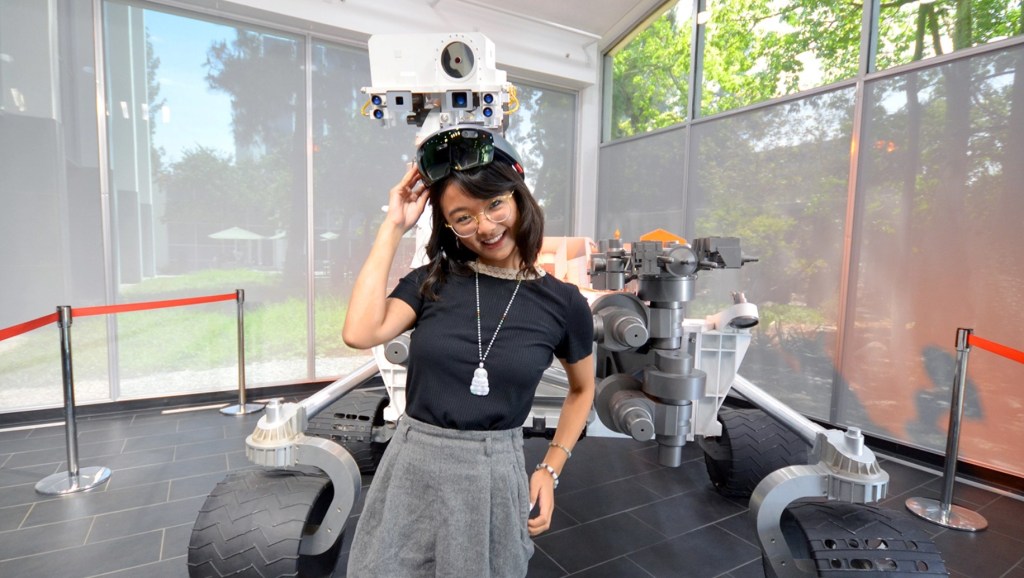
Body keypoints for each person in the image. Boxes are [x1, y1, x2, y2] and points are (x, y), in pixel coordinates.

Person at [342, 126, 595, 577]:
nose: (485, 227)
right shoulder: (431, 281)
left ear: (518, 198)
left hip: (493, 473)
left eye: (495, 204)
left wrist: (550, 469)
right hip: (412, 462)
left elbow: (582, 391)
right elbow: (360, 331)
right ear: (448, 226)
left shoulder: (564, 304)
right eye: (463, 217)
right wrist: (393, 225)